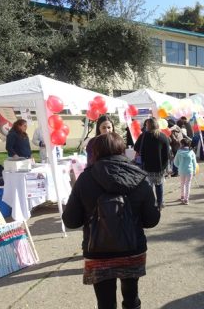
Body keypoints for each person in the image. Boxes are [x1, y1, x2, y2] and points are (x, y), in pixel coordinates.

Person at [62, 132, 160, 309]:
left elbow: (71, 221)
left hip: (98, 251)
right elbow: (151, 220)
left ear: (96, 152)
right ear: (122, 150)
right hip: (133, 248)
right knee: (131, 298)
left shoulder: (85, 179)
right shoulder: (140, 177)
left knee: (105, 303)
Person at [134, 117, 170, 210]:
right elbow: (167, 154)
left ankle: (150, 204)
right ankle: (159, 203)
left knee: (148, 187)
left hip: (145, 167)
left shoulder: (143, 136)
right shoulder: (163, 136)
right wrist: (164, 167)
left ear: (147, 126)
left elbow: (136, 148)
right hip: (159, 168)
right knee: (159, 186)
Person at [173, 138, 197, 205]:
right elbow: (194, 163)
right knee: (188, 185)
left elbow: (175, 162)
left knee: (182, 183)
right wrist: (194, 170)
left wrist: (179, 166)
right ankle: (186, 199)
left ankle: (182, 196)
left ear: (182, 144)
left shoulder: (179, 152)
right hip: (190, 170)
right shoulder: (191, 152)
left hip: (181, 170)